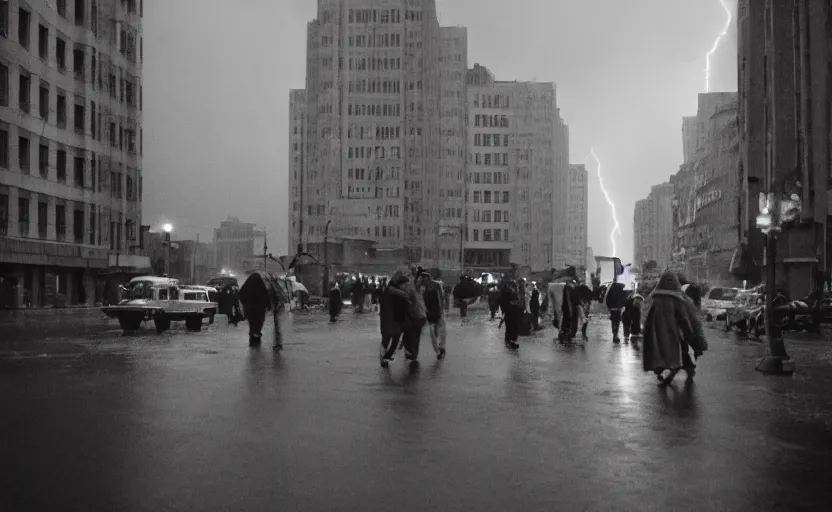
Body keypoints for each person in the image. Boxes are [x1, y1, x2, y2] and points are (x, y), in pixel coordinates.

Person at [643, 272, 708, 386]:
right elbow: (685, 319)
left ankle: (667, 372)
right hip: (675, 335)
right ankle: (683, 371)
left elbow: (647, 318)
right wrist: (691, 336)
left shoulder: (654, 299)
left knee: (663, 355)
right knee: (680, 354)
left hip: (657, 336)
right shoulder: (678, 299)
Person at [378, 272, 411, 367]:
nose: (406, 287)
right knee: (391, 340)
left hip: (388, 320)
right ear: (400, 284)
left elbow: (380, 301)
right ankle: (385, 358)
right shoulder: (399, 294)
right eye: (405, 285)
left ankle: (384, 358)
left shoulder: (389, 291)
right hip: (393, 320)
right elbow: (403, 308)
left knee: (388, 340)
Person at [419, 272, 447, 360]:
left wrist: (442, 308)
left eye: (426, 278)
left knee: (440, 331)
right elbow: (421, 300)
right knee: (435, 332)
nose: (426, 280)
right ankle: (439, 350)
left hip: (437, 312)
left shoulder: (436, 285)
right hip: (430, 313)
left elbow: (441, 297)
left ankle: (440, 348)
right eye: (424, 278)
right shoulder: (422, 287)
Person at [499, 275, 522, 349]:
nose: (515, 288)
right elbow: (502, 303)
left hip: (515, 311)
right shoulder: (505, 292)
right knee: (510, 327)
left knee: (514, 327)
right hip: (509, 312)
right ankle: (509, 341)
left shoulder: (517, 292)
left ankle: (513, 341)